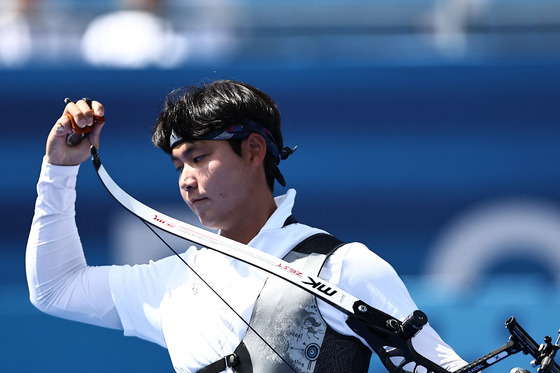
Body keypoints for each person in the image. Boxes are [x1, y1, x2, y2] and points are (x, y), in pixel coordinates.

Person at [26, 80, 468, 372]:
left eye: (199, 157)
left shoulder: (344, 267)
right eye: (178, 164)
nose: (185, 178)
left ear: (254, 150)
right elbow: (55, 288)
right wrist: (59, 170)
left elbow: (442, 368)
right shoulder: (172, 282)